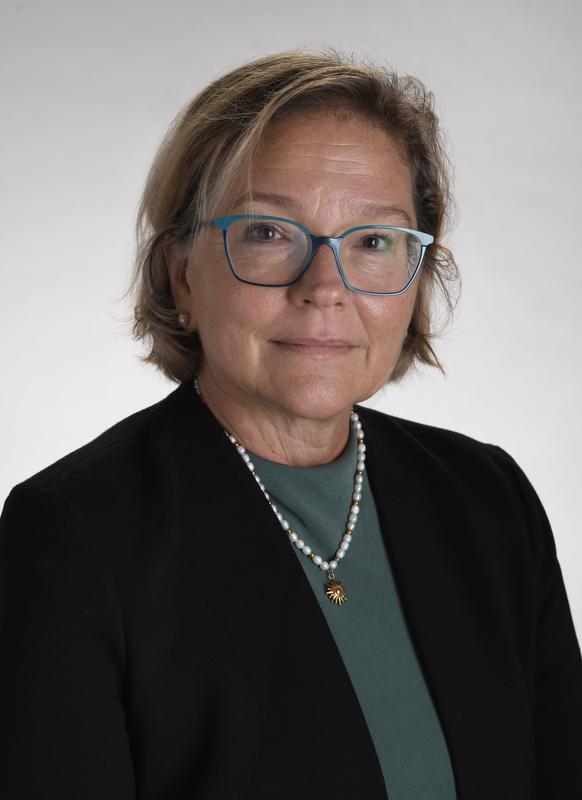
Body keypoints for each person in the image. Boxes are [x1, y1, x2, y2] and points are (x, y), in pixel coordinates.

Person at [1, 49, 581, 800]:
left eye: (374, 242)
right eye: (270, 234)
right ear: (182, 272)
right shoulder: (72, 536)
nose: (324, 289)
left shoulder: (488, 499)